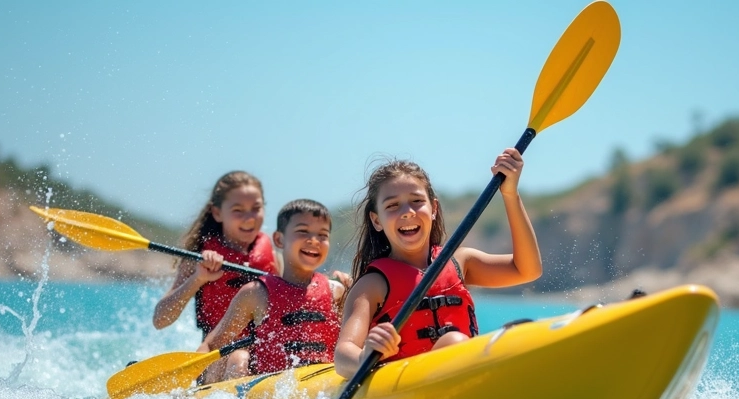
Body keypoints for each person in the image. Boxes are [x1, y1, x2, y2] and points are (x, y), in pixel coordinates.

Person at [334, 148, 542, 378]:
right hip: (409, 384)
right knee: (454, 341)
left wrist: (510, 194)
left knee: (521, 330)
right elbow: (343, 356)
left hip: (463, 372)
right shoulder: (372, 285)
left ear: (433, 209)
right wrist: (365, 356)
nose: (407, 212)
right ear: (376, 220)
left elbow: (527, 270)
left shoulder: (461, 262)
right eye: (392, 205)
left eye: (416, 201)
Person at [198, 199, 348, 381]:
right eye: (303, 231)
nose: (314, 241)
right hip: (271, 385)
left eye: (323, 235)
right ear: (279, 239)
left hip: (324, 380)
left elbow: (352, 342)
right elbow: (212, 344)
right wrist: (190, 380)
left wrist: (355, 293)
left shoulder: (336, 292)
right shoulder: (256, 293)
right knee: (238, 358)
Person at [152, 170, 279, 343]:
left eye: (256, 209)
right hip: (216, 351)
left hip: (260, 349)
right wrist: (198, 278)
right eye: (238, 210)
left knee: (243, 356)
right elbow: (160, 320)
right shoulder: (198, 258)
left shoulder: (274, 256)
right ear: (217, 213)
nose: (249, 219)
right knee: (239, 357)